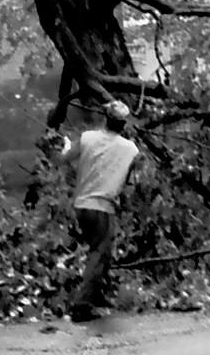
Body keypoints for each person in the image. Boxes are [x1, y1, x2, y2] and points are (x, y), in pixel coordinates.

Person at [43, 99, 140, 322]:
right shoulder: (131, 150)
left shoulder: (87, 139)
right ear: (123, 125)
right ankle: (82, 305)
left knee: (99, 253)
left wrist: (58, 144)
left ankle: (95, 296)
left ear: (106, 118)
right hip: (103, 208)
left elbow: (63, 158)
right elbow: (128, 184)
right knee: (99, 255)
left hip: (81, 207)